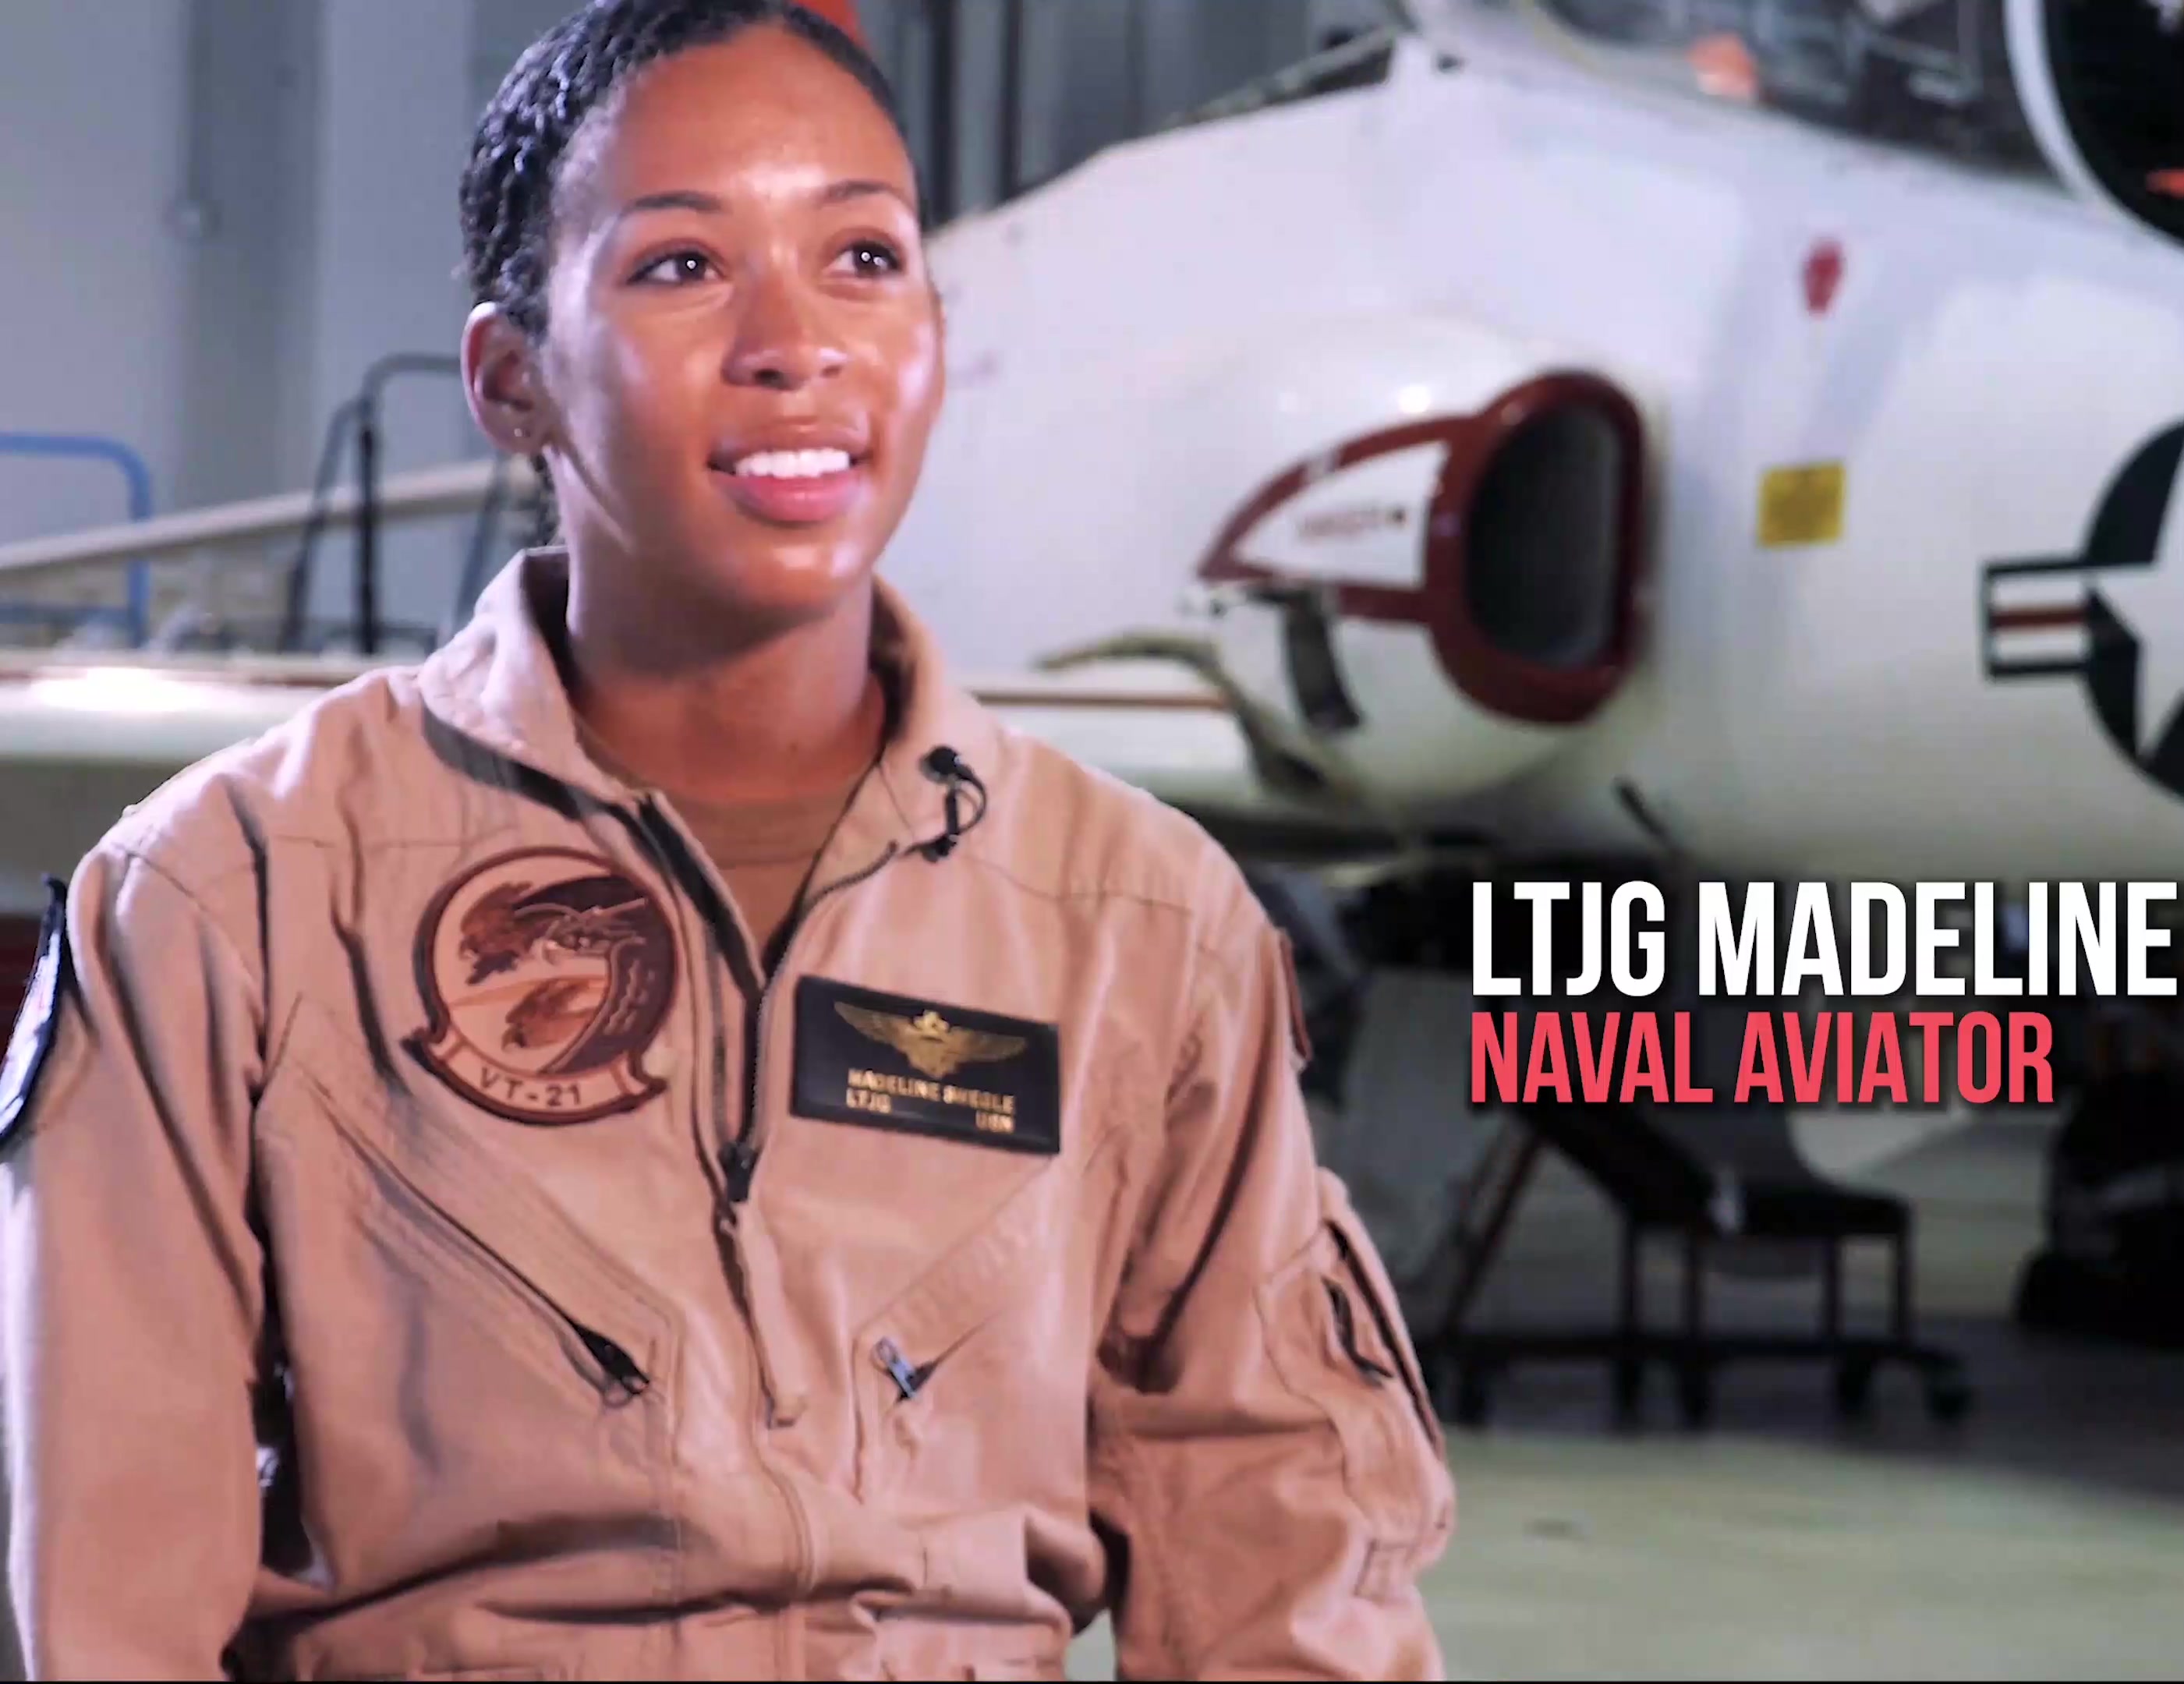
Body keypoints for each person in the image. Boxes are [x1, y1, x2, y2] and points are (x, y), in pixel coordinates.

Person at [0, 2, 1453, 1676]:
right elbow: (115, 1609)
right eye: (682, 268)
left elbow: (1280, 1559)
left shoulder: (1137, 923)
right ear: (511, 378)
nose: (795, 343)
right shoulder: (228, 897)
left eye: (861, 256)